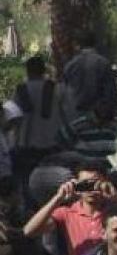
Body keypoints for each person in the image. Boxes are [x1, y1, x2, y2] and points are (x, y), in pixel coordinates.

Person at [10, 56, 71, 209]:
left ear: (28, 71)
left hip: (27, 147)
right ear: (43, 70)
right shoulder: (57, 89)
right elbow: (68, 115)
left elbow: (13, 118)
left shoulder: (21, 91)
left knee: (28, 187)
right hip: (53, 146)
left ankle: (33, 216)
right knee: (55, 187)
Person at [62, 33, 117, 163]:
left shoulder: (70, 66)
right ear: (94, 44)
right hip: (101, 126)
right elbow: (112, 97)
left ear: (78, 46)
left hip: (77, 128)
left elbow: (65, 98)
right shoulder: (103, 63)